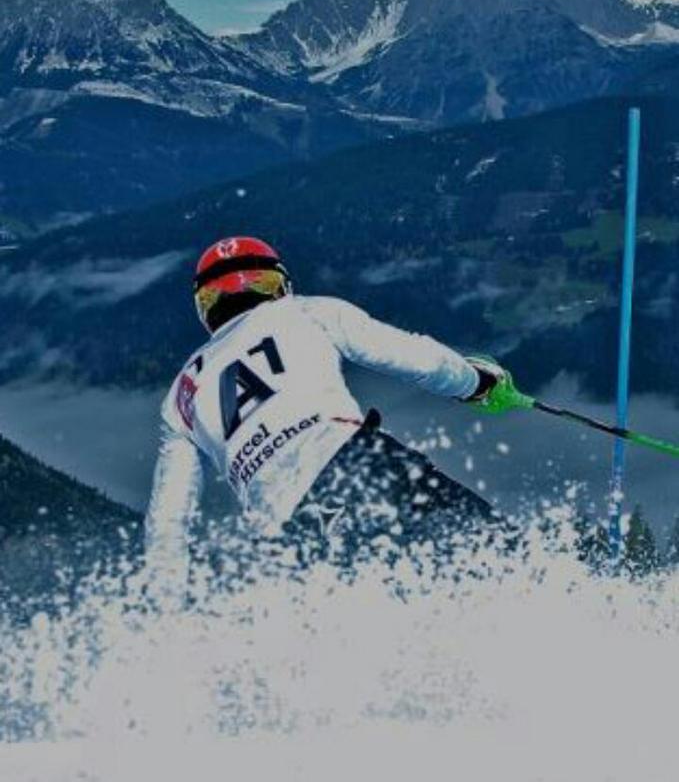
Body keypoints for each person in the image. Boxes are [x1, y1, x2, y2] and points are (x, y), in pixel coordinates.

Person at [145, 236, 529, 597]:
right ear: (280, 284)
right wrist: (476, 383)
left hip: (289, 531)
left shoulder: (180, 395)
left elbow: (167, 519)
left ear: (205, 307)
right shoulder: (306, 311)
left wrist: (167, 597)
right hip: (356, 465)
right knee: (499, 553)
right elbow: (415, 358)